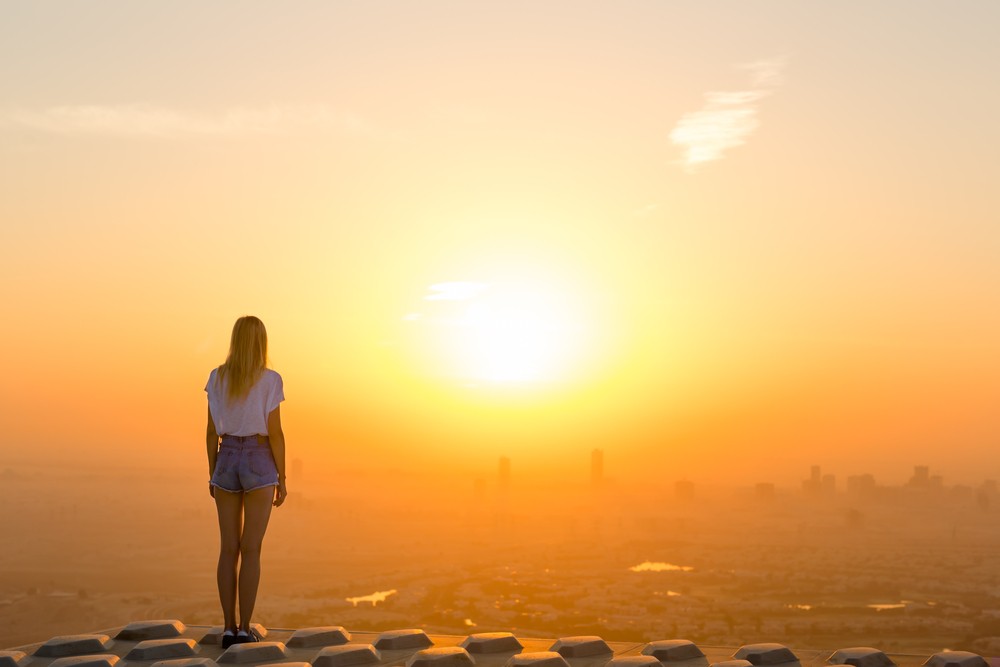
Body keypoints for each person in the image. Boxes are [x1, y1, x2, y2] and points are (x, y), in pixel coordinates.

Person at [205, 315, 287, 648]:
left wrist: (212, 472)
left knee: (228, 548)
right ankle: (245, 628)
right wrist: (282, 477)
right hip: (259, 458)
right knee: (251, 549)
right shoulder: (270, 380)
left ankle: (227, 628)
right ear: (261, 342)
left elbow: (211, 432)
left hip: (226, 458)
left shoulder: (217, 377)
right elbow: (276, 433)